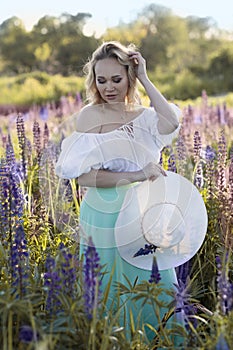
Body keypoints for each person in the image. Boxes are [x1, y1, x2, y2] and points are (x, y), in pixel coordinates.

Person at [55, 41, 183, 343]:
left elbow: (172, 122)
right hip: (104, 212)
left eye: (116, 79)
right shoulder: (90, 116)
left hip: (144, 210)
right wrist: (138, 174)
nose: (108, 87)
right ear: (93, 81)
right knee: (111, 286)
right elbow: (84, 177)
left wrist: (146, 79)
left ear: (129, 76)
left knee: (156, 280)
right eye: (101, 80)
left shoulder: (146, 117)